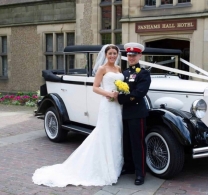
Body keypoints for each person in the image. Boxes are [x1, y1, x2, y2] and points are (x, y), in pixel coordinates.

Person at [32, 44, 124, 187]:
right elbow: (95, 87)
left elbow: (119, 83)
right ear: (105, 55)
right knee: (105, 132)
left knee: (116, 133)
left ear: (117, 55)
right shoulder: (102, 69)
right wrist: (108, 94)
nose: (112, 56)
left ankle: (116, 163)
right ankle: (105, 166)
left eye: (115, 53)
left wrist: (120, 93)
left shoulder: (118, 69)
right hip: (108, 103)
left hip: (118, 105)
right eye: (110, 53)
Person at [117, 42, 151, 185]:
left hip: (137, 112)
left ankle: (140, 173)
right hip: (124, 113)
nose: (131, 57)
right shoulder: (124, 73)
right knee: (126, 142)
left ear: (140, 55)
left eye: (134, 55)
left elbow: (139, 93)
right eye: (129, 55)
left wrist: (120, 98)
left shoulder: (143, 73)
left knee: (137, 144)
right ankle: (129, 167)